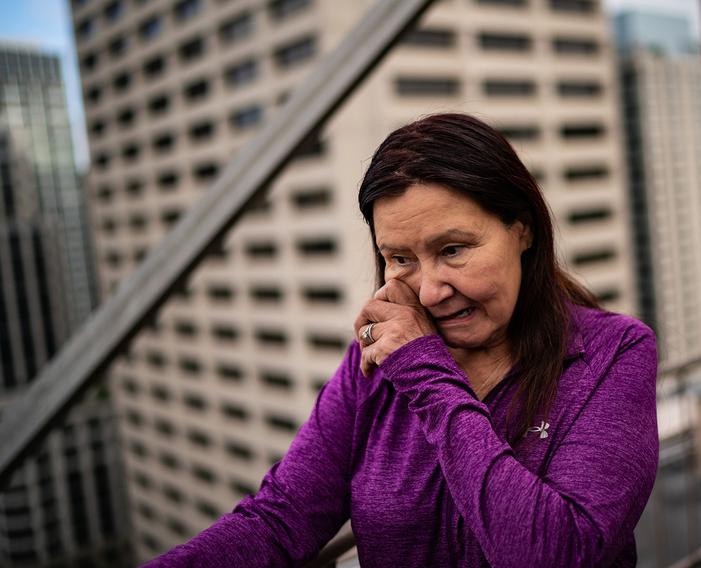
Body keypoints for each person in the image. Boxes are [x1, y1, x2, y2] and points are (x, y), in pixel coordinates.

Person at [145, 113, 658, 567]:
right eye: (401, 259)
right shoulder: (375, 362)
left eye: (453, 250)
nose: (431, 291)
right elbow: (281, 520)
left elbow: (556, 553)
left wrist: (426, 374)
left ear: (522, 229)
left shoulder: (613, 355)